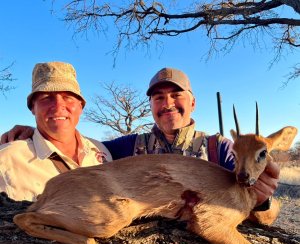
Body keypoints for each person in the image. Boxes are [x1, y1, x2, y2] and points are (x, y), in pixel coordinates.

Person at [1, 67, 279, 217]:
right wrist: (35, 131)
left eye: (176, 95)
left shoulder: (222, 149)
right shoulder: (126, 148)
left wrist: (265, 201)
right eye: (159, 97)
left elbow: (265, 207)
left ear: (193, 102)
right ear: (150, 106)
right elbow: (75, 150)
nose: (168, 104)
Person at [0, 61, 112, 201]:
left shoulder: (101, 150)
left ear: (81, 107)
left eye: (68, 97)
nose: (59, 106)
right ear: (32, 108)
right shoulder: (7, 158)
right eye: (46, 98)